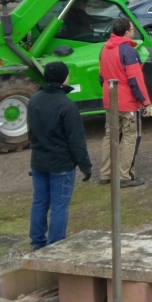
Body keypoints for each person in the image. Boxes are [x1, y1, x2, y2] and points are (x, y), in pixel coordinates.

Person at [27, 61, 91, 249]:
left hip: (38, 162)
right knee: (59, 206)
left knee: (39, 202)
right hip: (61, 165)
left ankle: (37, 242)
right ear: (64, 78)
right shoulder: (67, 105)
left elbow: (31, 132)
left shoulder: (34, 100)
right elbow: (76, 140)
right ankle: (55, 245)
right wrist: (85, 166)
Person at [99, 17, 152, 187]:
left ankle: (106, 173)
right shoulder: (128, 51)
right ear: (127, 32)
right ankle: (125, 175)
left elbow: (101, 77)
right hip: (127, 102)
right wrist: (145, 102)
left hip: (110, 100)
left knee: (110, 135)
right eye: (132, 28)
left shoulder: (104, 49)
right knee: (131, 136)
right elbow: (136, 80)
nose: (134, 31)